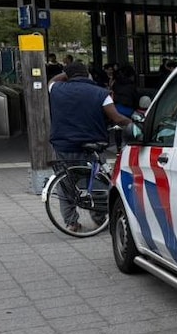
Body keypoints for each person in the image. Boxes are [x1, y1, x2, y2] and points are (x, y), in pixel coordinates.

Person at [48, 62, 131, 233]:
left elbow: (51, 81)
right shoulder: (101, 93)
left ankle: (71, 223)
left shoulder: (57, 89)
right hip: (91, 145)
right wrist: (133, 123)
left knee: (66, 184)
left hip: (63, 145)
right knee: (98, 182)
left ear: (67, 76)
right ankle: (99, 219)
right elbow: (116, 118)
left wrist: (65, 73)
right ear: (88, 74)